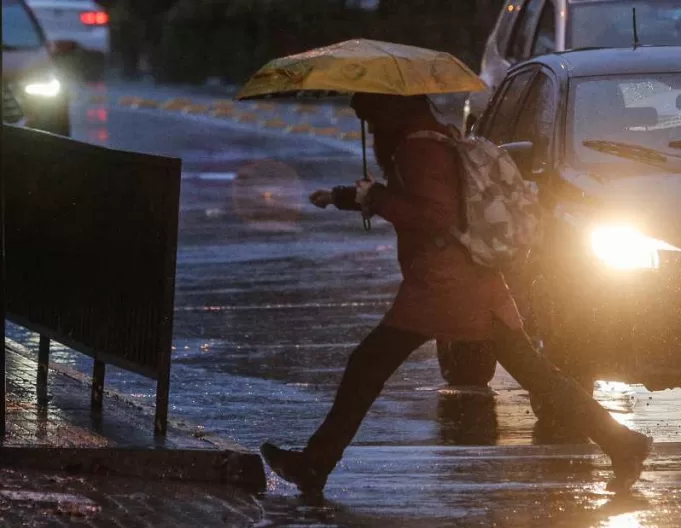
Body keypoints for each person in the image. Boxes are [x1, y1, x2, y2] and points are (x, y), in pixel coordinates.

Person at [261, 92, 652, 495]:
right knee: (537, 375)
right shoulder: (433, 138)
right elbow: (421, 201)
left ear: (390, 109)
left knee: (367, 365)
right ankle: (623, 444)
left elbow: (436, 214)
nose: (363, 117)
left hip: (445, 284)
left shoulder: (419, 150)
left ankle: (315, 464)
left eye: (369, 110)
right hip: (469, 279)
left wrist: (375, 197)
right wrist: (347, 197)